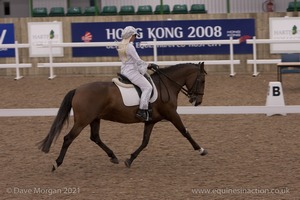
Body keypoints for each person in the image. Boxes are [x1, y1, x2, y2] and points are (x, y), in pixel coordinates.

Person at [117, 26, 158, 121]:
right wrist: (150, 65)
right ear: (130, 36)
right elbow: (138, 61)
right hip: (131, 72)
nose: (135, 37)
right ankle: (142, 110)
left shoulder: (121, 45)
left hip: (124, 70)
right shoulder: (130, 46)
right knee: (148, 87)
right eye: (134, 35)